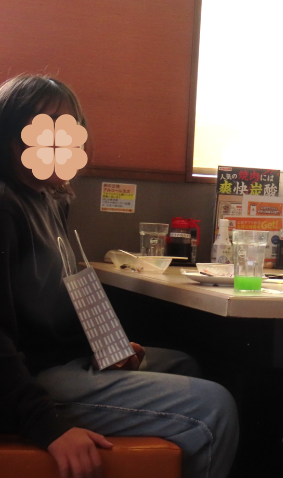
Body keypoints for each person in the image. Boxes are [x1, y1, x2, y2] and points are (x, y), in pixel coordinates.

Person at [0, 75, 239, 478]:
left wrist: (106, 346)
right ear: (10, 134)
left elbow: (46, 313)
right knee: (213, 406)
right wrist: (47, 426)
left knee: (184, 364)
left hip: (57, 360)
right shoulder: (5, 207)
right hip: (30, 379)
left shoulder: (48, 200)